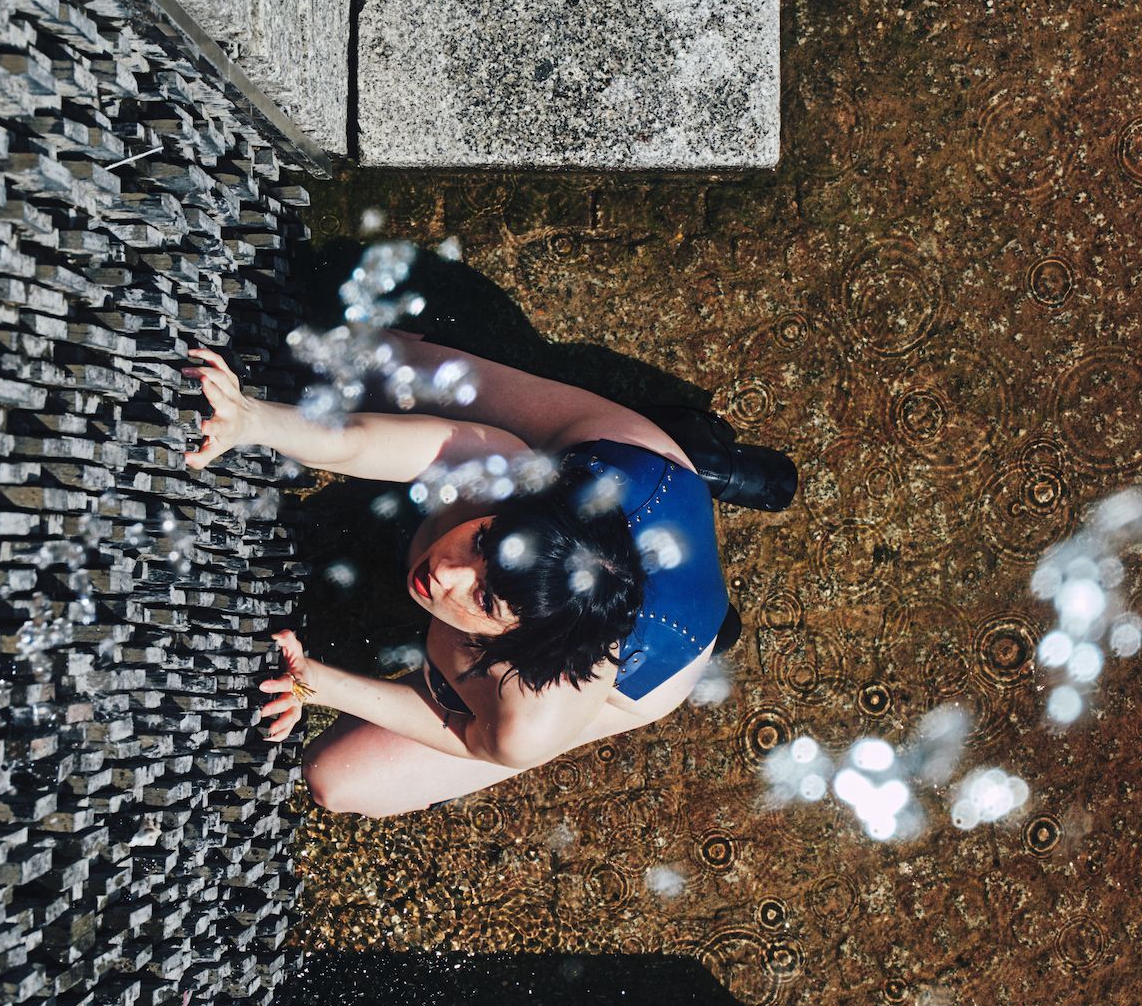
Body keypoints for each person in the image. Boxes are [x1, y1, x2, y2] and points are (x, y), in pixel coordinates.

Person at [184, 333, 743, 816]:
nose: (445, 570)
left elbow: (476, 738)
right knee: (369, 358)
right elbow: (353, 439)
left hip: (671, 643)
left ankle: (717, 502)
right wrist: (252, 420)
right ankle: (698, 455)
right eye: (481, 541)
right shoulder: (504, 470)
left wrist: (319, 683)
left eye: (485, 598)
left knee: (334, 779)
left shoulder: (538, 708)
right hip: (648, 478)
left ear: (520, 641)